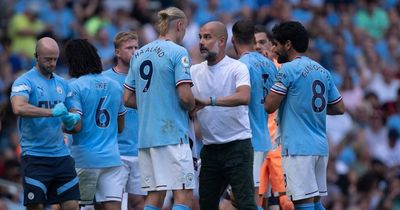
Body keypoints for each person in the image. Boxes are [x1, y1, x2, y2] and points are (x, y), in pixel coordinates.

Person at [265, 21, 345, 210]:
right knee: (315, 202)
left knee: (302, 204)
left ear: (288, 44)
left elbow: (269, 106)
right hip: (319, 147)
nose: (273, 49)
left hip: (298, 148)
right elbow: (339, 107)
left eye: (276, 44)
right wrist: (307, 105)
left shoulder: (288, 70)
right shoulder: (322, 70)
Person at [123, 7, 196, 210]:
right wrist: (193, 105)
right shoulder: (178, 52)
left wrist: (152, 101)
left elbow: (127, 98)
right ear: (180, 25)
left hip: (146, 138)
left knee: (155, 195)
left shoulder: (139, 54)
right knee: (183, 193)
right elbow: (184, 96)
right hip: (171, 134)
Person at [190, 21, 257, 210]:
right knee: (207, 205)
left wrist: (209, 101)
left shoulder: (237, 68)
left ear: (221, 41)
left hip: (238, 146)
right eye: (200, 37)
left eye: (207, 37)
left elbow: (244, 96)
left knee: (245, 204)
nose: (202, 42)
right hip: (210, 149)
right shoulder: (194, 71)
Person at [10, 37, 80, 210]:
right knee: (36, 207)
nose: (52, 63)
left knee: (72, 206)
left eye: (55, 59)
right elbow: (18, 107)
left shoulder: (63, 83)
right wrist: (51, 112)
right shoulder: (24, 81)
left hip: (61, 155)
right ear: (36, 56)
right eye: (48, 59)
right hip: (35, 155)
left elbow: (74, 113)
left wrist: (72, 119)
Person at [64, 38, 126, 210]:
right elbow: (120, 127)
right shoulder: (115, 86)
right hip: (112, 158)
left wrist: (61, 124)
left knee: (83, 207)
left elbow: (75, 126)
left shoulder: (74, 87)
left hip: (85, 160)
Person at [230, 19, 277, 210]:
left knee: (247, 199)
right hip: (266, 140)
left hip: (248, 141)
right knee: (260, 200)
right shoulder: (270, 65)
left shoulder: (239, 67)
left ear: (233, 40)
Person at [103, 31, 147, 210]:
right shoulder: (104, 79)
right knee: (115, 204)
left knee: (138, 203)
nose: (135, 51)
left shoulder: (145, 78)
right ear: (117, 52)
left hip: (141, 150)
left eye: (137, 47)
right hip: (116, 152)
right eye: (129, 48)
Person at [254, 24, 294, 210]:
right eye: (254, 43)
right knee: (257, 199)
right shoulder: (243, 69)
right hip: (257, 143)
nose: (258, 47)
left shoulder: (284, 69)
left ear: (272, 45)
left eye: (262, 42)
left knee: (286, 201)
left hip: (280, 143)